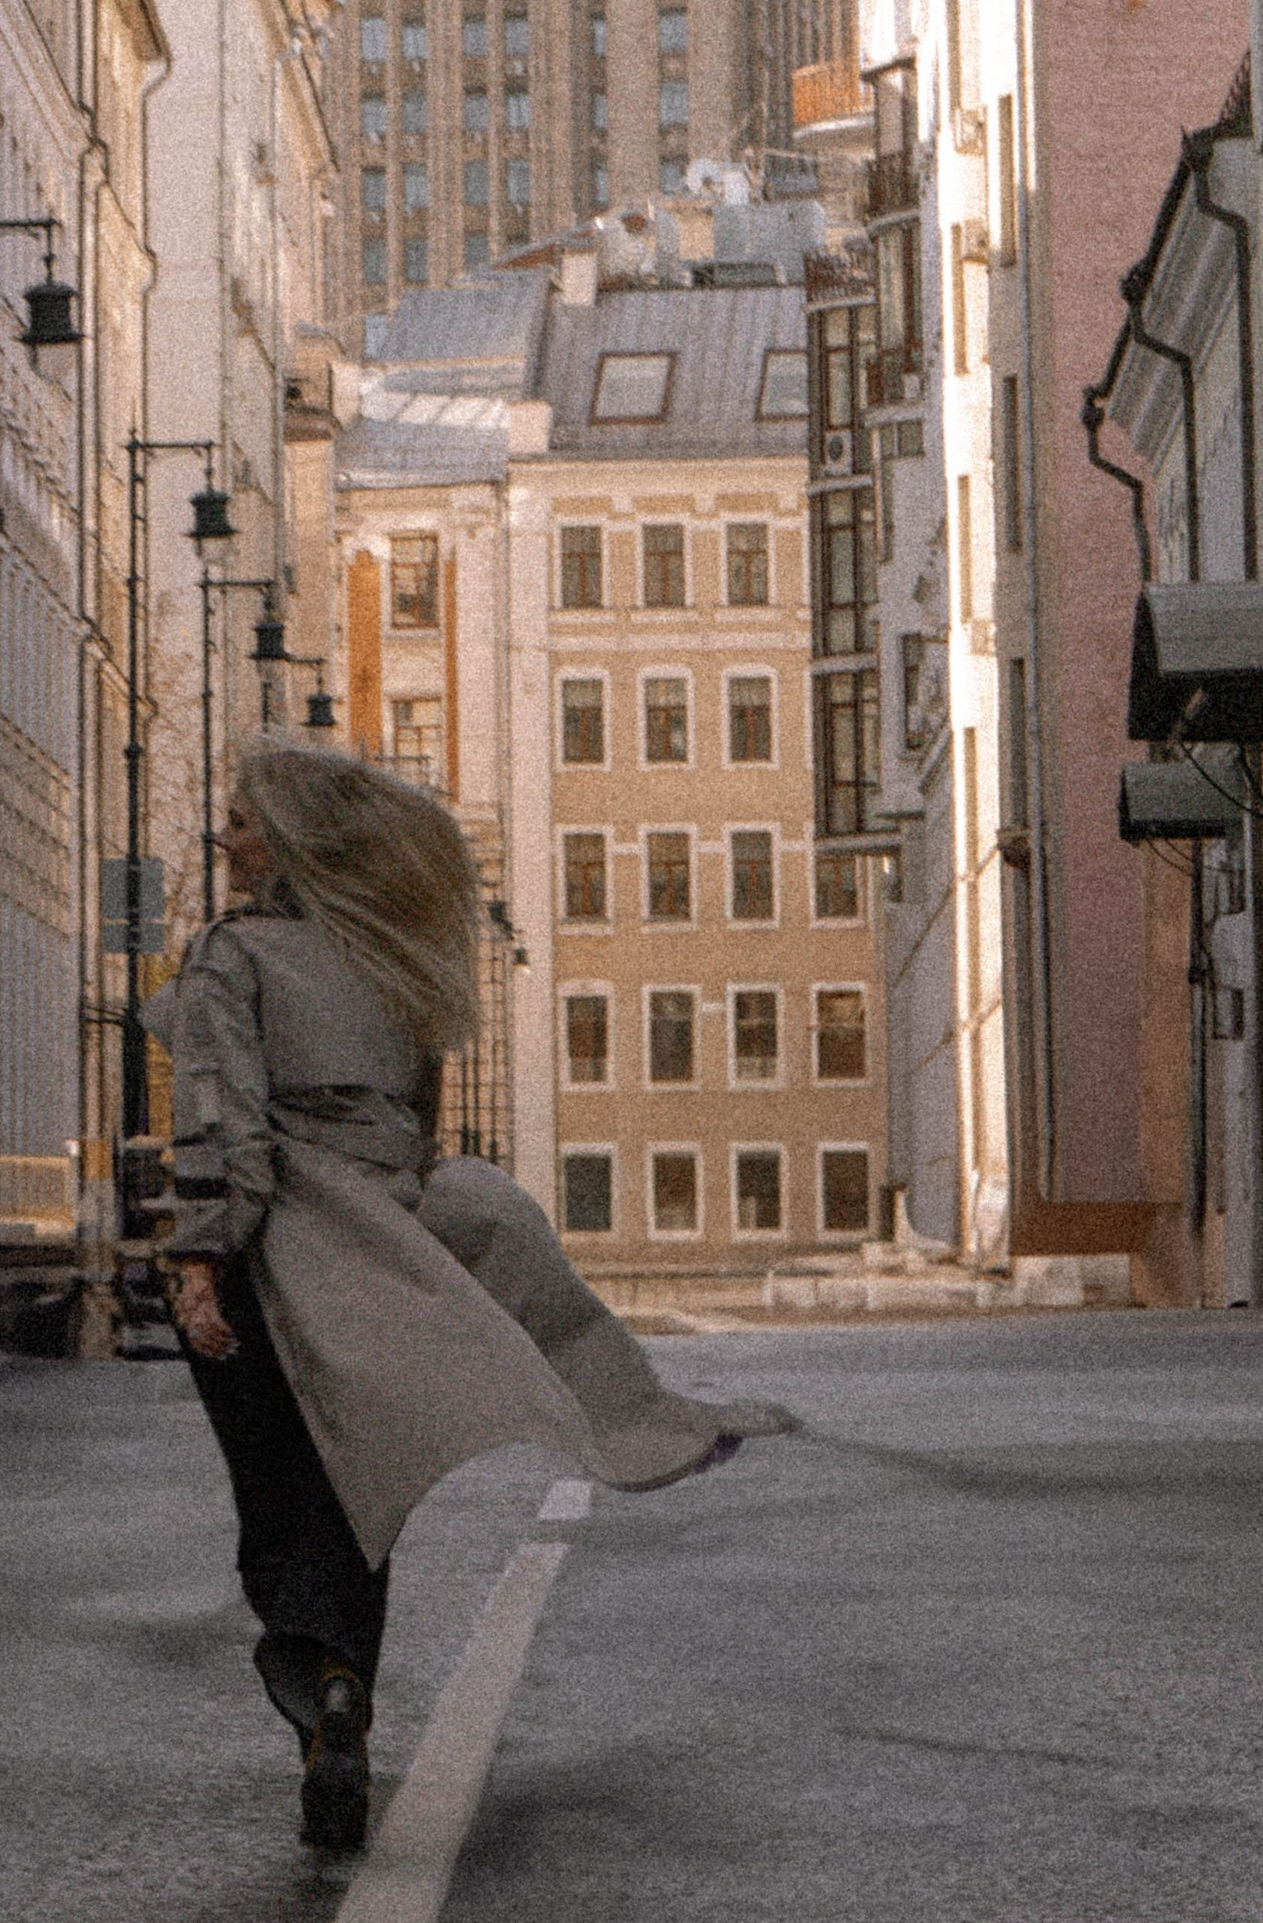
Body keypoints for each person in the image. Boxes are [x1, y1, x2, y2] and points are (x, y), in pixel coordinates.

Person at [145, 734, 785, 1855]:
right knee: (358, 1489)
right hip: (385, 1242)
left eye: (241, 819)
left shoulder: (229, 958)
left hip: (266, 1261)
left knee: (279, 1500)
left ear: (290, 839)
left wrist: (198, 1260)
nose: (224, 836)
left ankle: (318, 1684)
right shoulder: (392, 956)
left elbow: (220, 1122)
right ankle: (345, 1691)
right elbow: (415, 1133)